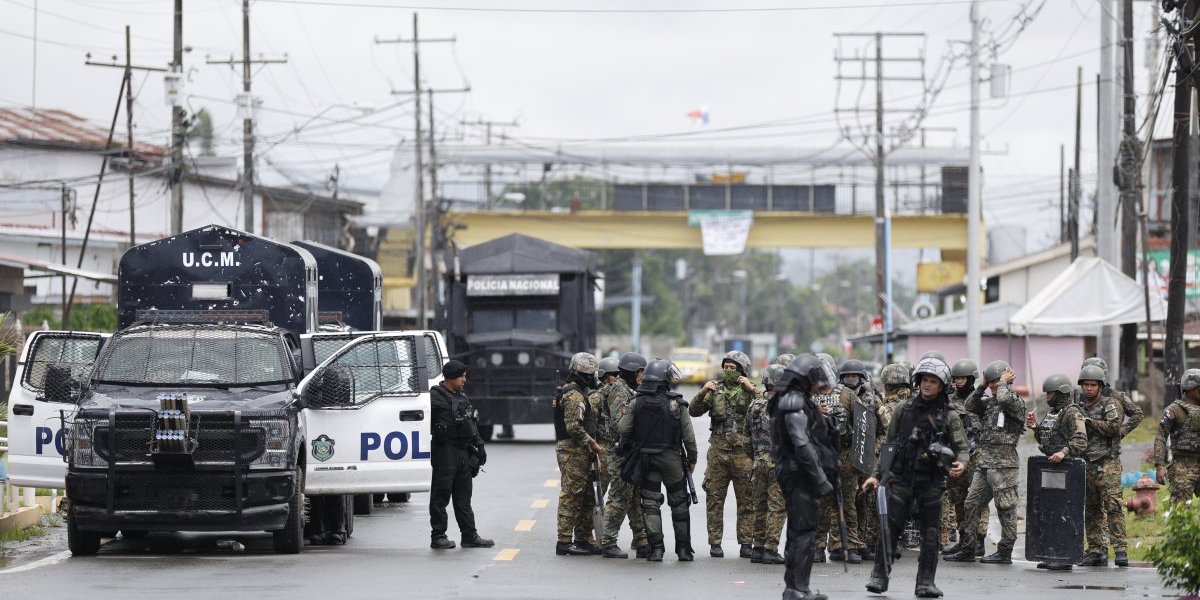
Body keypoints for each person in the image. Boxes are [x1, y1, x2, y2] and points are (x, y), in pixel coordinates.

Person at [863, 356, 969, 599]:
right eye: (924, 380)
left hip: (932, 482)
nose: (927, 385)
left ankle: (925, 583)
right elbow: (890, 445)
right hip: (901, 479)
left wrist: (961, 464)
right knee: (889, 529)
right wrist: (877, 475)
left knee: (930, 534)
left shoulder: (950, 416)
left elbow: (962, 448)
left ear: (942, 385)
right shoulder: (903, 409)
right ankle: (879, 577)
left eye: (933, 381)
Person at [771, 354, 840, 600]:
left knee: (800, 531)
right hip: (799, 474)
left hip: (799, 473)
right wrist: (819, 477)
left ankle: (797, 587)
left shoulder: (799, 400)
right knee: (804, 532)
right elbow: (802, 445)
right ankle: (798, 588)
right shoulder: (794, 402)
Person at [943, 360, 1025, 565]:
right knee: (971, 503)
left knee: (1005, 507)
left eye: (997, 381)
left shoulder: (1015, 402)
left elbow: (1005, 397)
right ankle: (969, 546)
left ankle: (1005, 551)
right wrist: (982, 385)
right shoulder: (989, 403)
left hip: (1004, 465)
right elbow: (970, 404)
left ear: (1007, 381)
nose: (995, 385)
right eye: (992, 382)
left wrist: (1003, 384)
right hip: (985, 462)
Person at [617, 359, 698, 562]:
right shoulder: (677, 404)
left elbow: (622, 429)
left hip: (647, 460)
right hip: (671, 459)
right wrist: (692, 459)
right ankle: (683, 550)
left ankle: (656, 550)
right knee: (679, 504)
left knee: (651, 504)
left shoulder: (636, 403)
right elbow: (689, 438)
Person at [690, 350, 757, 558]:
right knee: (715, 499)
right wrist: (702, 392)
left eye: (733, 368)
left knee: (747, 500)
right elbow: (693, 411)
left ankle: (746, 542)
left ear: (742, 370)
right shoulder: (714, 389)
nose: (728, 370)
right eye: (725, 367)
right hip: (718, 453)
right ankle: (715, 543)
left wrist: (752, 389)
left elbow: (770, 405)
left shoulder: (750, 390)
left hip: (743, 454)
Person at [429, 359, 494, 550]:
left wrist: (479, 447)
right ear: (451, 378)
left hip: (463, 452)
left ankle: (469, 535)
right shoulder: (434, 398)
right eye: (462, 377)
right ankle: (438, 536)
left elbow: (471, 424)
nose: (465, 380)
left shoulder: (462, 396)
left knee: (464, 498)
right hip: (445, 451)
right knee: (441, 496)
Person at [1027, 373, 1088, 570]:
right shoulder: (1053, 413)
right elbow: (1047, 440)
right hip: (1050, 468)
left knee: (1064, 514)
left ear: (1061, 393)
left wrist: (1064, 453)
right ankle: (1050, 553)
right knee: (1049, 513)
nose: (1047, 397)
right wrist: (1036, 428)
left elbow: (1080, 440)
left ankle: (1064, 557)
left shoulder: (1072, 413)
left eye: (1050, 393)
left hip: (1066, 471)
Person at [599, 352, 651, 559]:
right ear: (632, 372)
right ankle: (609, 542)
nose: (643, 377)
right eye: (640, 372)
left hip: (632, 452)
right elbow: (620, 425)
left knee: (636, 497)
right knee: (619, 498)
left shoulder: (631, 389)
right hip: (622, 453)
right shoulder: (620, 391)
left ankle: (641, 539)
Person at [1076, 364, 1128, 567]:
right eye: (1086, 385)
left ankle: (1121, 550)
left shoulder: (1109, 404)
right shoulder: (1078, 406)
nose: (1089, 388)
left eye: (1093, 385)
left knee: (1113, 505)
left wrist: (1090, 423)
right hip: (1087, 463)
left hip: (1108, 462)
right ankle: (1097, 550)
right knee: (1091, 508)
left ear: (1100, 386)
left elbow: (1114, 428)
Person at [554, 352, 604, 556]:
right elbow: (573, 426)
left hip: (580, 451)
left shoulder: (578, 393)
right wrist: (591, 443)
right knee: (572, 495)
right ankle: (564, 541)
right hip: (573, 451)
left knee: (586, 496)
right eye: (592, 374)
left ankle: (583, 538)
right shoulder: (574, 396)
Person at [829, 358, 876, 563]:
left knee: (863, 501)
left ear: (861, 377)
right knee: (844, 502)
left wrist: (875, 449)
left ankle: (860, 543)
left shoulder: (872, 398)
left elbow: (882, 426)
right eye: (847, 376)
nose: (850, 379)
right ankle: (841, 544)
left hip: (865, 457)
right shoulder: (836, 397)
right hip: (843, 457)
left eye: (854, 376)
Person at [940, 359, 988, 558]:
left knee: (978, 500)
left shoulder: (981, 402)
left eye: (963, 378)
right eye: (956, 378)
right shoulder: (948, 401)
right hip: (956, 455)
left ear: (971, 379)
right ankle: (964, 538)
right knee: (958, 498)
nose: (959, 381)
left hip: (978, 456)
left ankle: (979, 539)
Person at [811, 353, 853, 563]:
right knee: (820, 503)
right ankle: (817, 546)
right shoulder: (806, 396)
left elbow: (862, 425)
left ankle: (838, 546)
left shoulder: (846, 394)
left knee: (843, 502)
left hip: (843, 455)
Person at [747, 363, 787, 565]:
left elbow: (748, 434)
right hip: (779, 462)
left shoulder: (755, 404)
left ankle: (758, 547)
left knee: (759, 506)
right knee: (777, 507)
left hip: (758, 461)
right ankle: (771, 549)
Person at [1154, 369, 1200, 504]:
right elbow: (1161, 437)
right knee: (1180, 510)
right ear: (1193, 389)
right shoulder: (1174, 410)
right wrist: (1159, 466)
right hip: (1182, 467)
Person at [1081, 357, 1144, 441]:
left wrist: (1122, 432)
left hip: (1108, 449)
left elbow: (1138, 414)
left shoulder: (1116, 396)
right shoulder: (1082, 396)